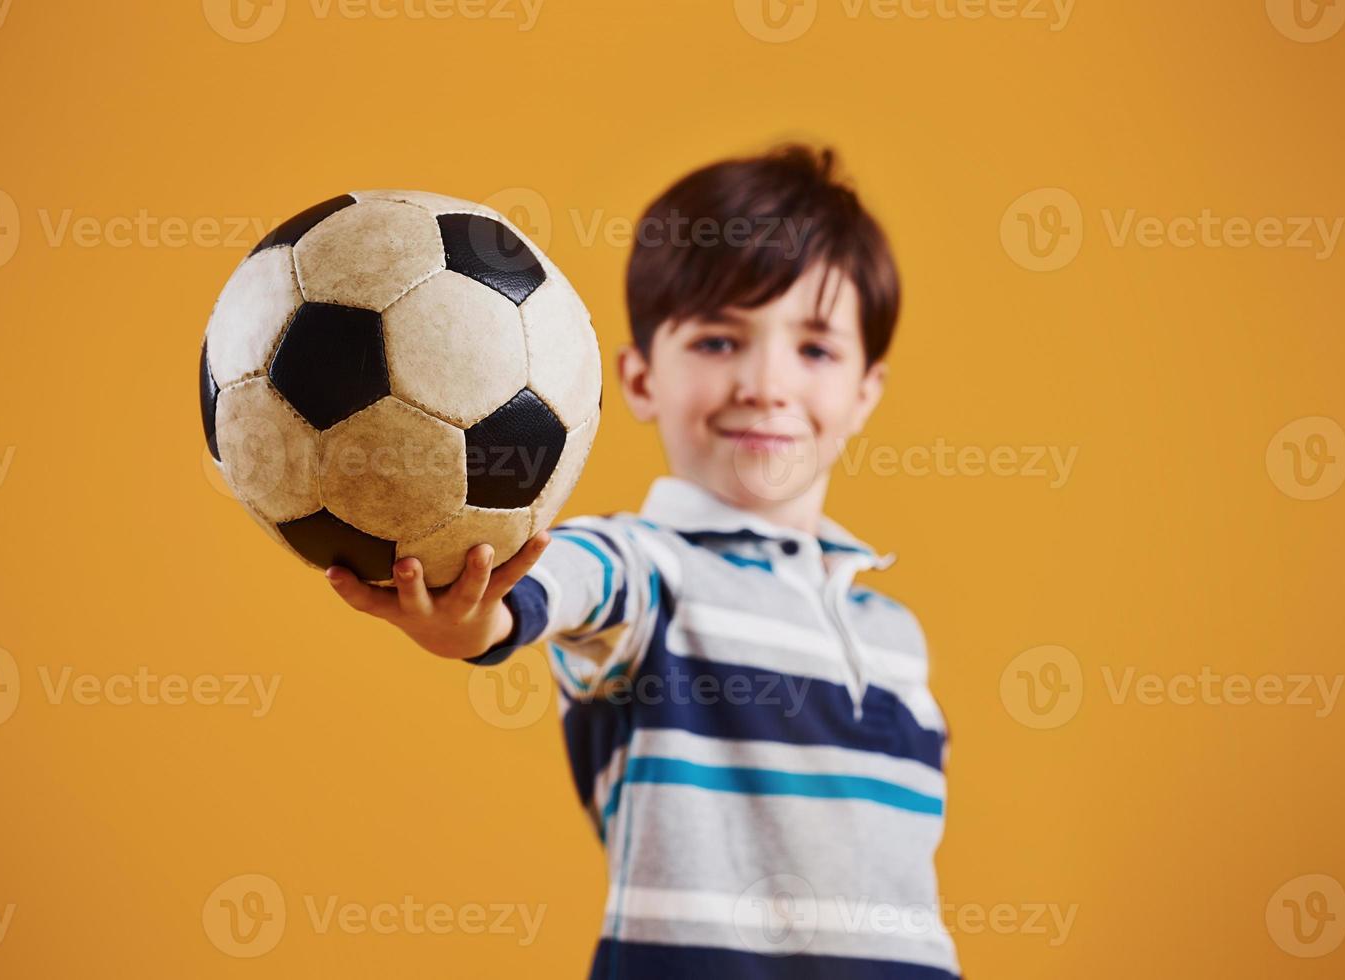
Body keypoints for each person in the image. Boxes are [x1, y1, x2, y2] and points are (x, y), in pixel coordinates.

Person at [325, 143, 959, 979]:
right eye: (719, 342)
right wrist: (481, 617)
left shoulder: (895, 638)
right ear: (638, 379)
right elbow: (564, 580)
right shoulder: (648, 572)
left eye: (815, 350)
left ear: (865, 392)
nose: (766, 384)